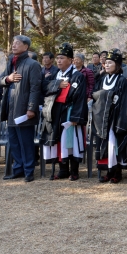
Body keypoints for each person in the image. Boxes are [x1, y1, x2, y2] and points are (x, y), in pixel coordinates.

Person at [0, 35, 43, 182]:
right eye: (13, 42)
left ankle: (29, 171)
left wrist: (31, 108)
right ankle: (18, 169)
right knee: (14, 142)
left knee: (26, 142)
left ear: (26, 46)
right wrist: (8, 79)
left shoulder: (32, 64)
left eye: (17, 43)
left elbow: (36, 89)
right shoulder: (11, 62)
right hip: (10, 108)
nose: (14, 45)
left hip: (24, 110)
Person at [42, 43, 89, 181]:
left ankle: (74, 171)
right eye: (58, 58)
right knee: (58, 140)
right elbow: (44, 87)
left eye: (62, 58)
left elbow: (80, 98)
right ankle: (63, 169)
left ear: (70, 60)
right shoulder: (56, 75)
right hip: (56, 112)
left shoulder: (77, 76)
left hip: (70, 111)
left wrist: (76, 117)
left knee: (71, 141)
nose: (59, 61)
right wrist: (57, 84)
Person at [92, 49, 127, 183]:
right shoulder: (102, 79)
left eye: (110, 62)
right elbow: (96, 95)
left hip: (115, 116)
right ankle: (108, 171)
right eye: (106, 63)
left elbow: (123, 100)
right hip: (103, 117)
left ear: (118, 65)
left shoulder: (121, 80)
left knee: (115, 144)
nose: (107, 65)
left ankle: (117, 172)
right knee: (104, 144)